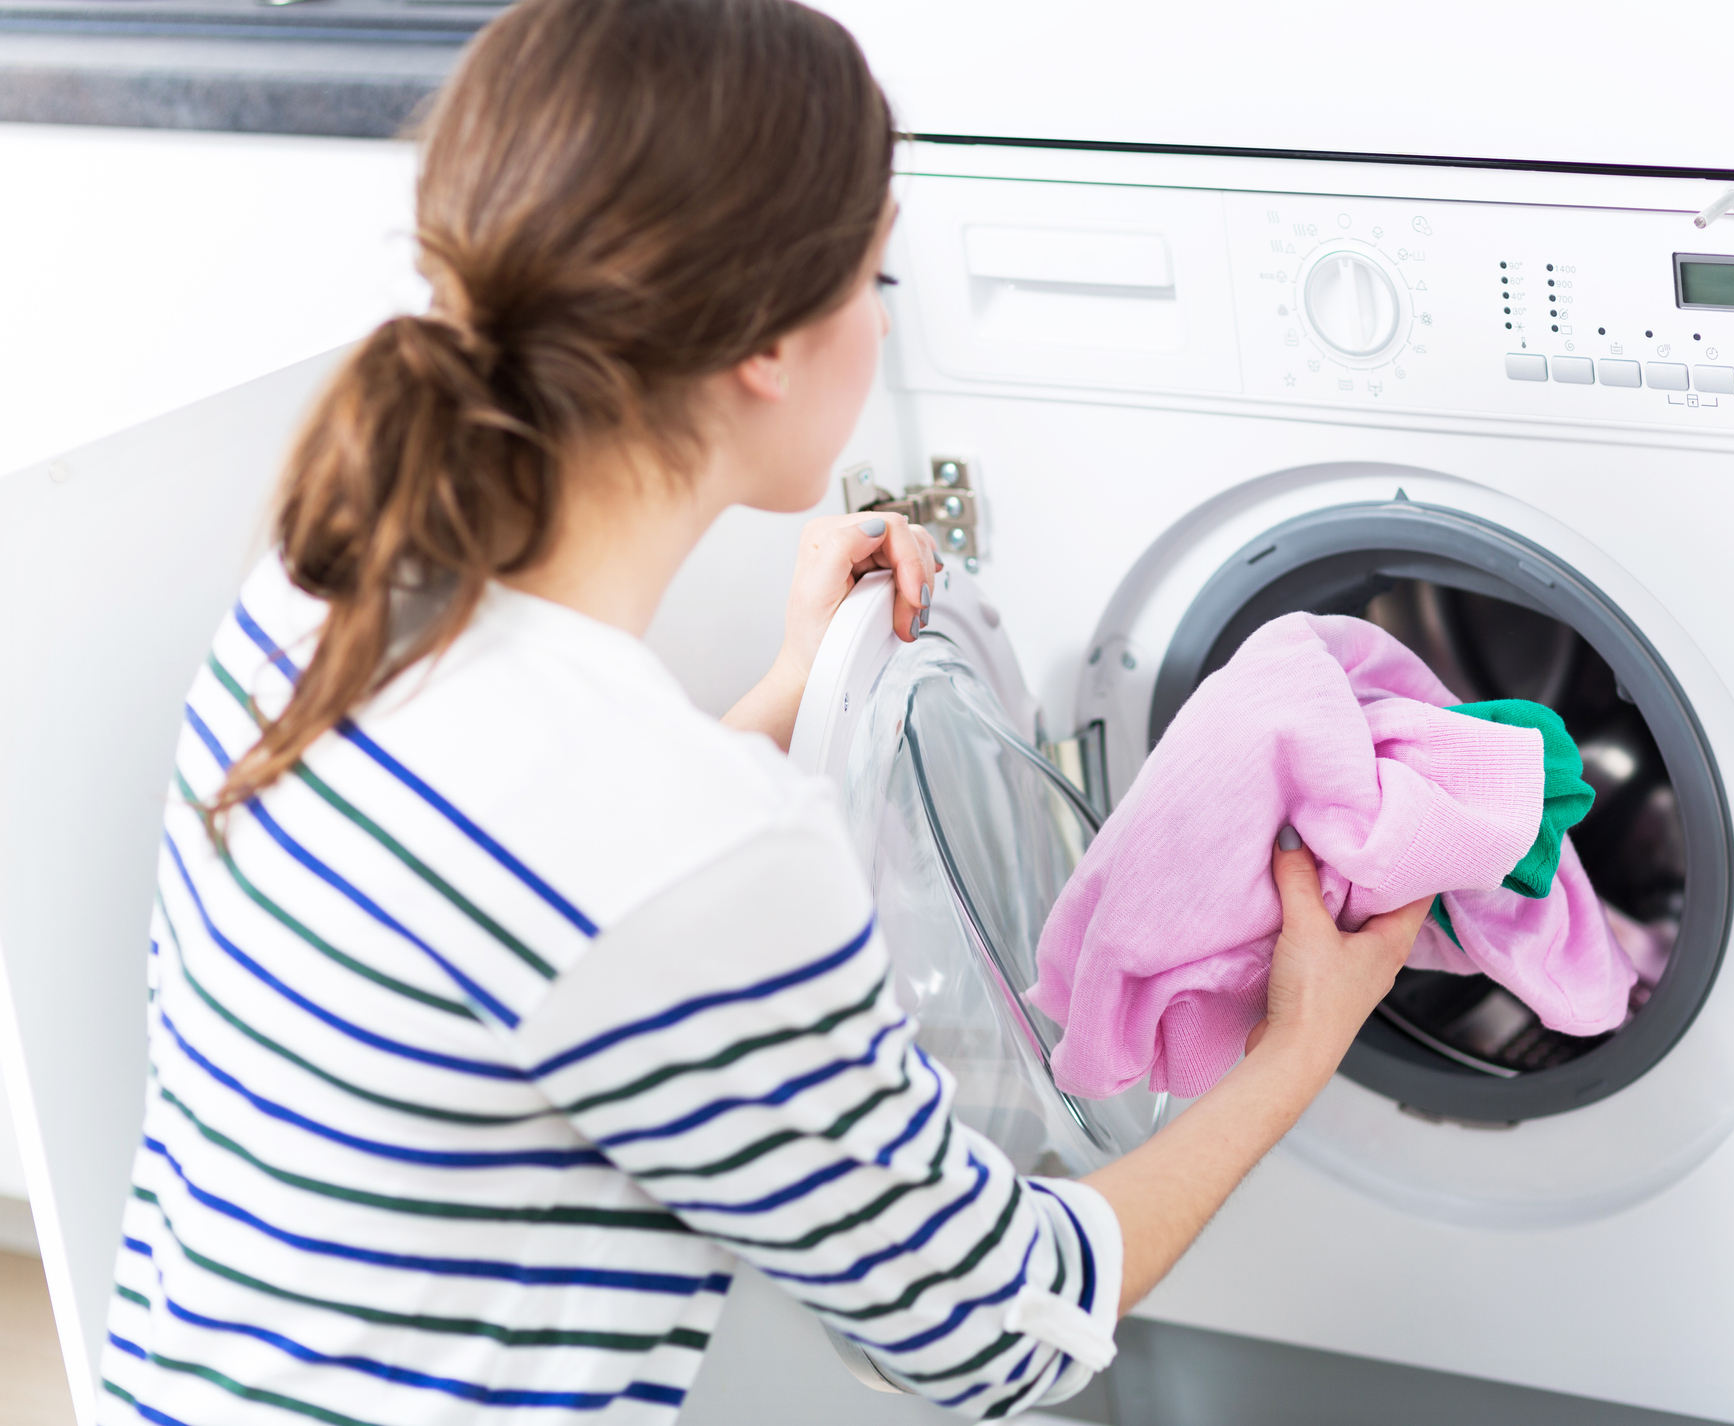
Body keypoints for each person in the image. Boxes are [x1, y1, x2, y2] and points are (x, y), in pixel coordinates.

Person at [99, 0, 1429, 1419]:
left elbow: (537, 919)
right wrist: (1298, 1048)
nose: (881, 313)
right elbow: (1003, 1336)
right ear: (767, 350)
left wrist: (796, 695)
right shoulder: (705, 852)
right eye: (875, 274)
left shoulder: (318, 593)